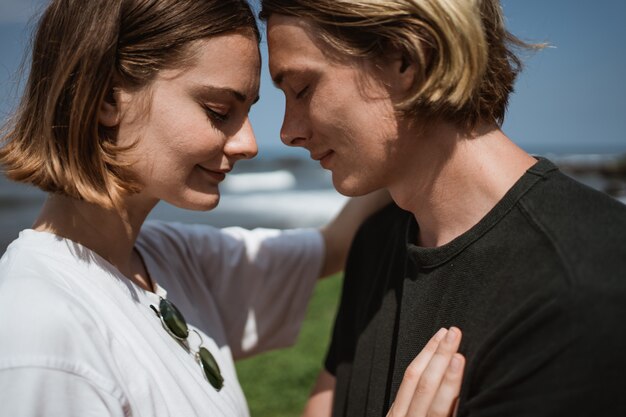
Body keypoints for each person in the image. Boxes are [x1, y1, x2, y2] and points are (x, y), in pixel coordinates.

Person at [0, 0, 465, 416]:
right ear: (106, 97)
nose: (249, 143)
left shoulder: (169, 260)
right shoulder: (40, 331)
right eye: (219, 110)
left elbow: (333, 245)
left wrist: (411, 114)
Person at [260, 0, 626, 416]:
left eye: (303, 88)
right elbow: (328, 398)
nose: (288, 131)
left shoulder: (586, 289)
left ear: (406, 55)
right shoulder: (377, 240)